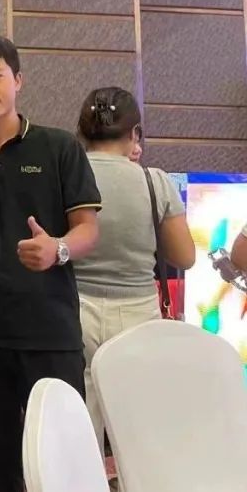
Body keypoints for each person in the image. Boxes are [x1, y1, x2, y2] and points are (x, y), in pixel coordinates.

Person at [0, 34, 101, 492]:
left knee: (62, 458)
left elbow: (88, 230)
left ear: (18, 80)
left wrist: (57, 249)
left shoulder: (58, 147)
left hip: (50, 329)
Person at [73, 86, 195, 446]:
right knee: (138, 430)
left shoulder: (68, 174)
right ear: (134, 133)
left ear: (83, 132)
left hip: (74, 309)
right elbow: (184, 256)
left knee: (82, 429)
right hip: (138, 314)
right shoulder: (154, 181)